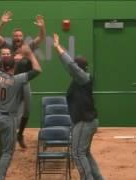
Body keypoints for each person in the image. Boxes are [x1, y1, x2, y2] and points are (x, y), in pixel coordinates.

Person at [0, 48, 41, 180]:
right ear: (14, 67)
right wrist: (30, 55)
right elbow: (37, 70)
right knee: (8, 152)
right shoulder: (17, 79)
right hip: (7, 119)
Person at [53, 33, 104, 180]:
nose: (72, 69)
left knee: (77, 153)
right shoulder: (80, 79)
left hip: (85, 121)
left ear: (79, 68)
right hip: (84, 121)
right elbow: (70, 65)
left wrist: (57, 48)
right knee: (85, 153)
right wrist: (59, 46)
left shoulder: (83, 78)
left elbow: (70, 65)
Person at [0, 10, 46, 148]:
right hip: (9, 83)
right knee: (12, 111)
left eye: (20, 35)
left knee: (27, 110)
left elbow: (41, 38)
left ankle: (20, 134)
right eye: (15, 35)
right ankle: (5, 135)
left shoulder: (27, 47)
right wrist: (1, 23)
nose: (18, 37)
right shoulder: (7, 46)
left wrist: (41, 27)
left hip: (24, 82)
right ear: (12, 37)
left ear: (23, 37)